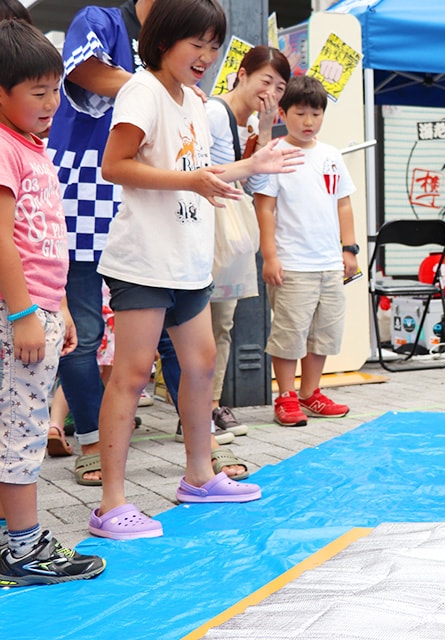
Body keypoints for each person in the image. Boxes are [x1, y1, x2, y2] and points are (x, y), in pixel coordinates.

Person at [88, 0, 303, 540]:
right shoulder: (143, 90)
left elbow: (199, 171)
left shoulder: (191, 100)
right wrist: (195, 182)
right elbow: (116, 166)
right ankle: (111, 503)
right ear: (163, 42)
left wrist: (251, 165)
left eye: (214, 45)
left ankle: (200, 475)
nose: (207, 55)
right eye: (197, 44)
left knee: (202, 365)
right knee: (133, 375)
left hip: (188, 260)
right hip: (145, 261)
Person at [44, 0, 198, 487]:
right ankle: (90, 438)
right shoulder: (101, 19)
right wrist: (153, 86)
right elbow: (85, 71)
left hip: (151, 194)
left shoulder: (179, 45)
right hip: (86, 189)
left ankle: (201, 450)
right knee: (84, 332)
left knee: (178, 329)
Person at [0, 18, 105, 585]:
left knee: (19, 421)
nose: (50, 103)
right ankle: (22, 547)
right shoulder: (4, 149)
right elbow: (2, 241)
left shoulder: (33, 149)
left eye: (54, 90)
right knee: (20, 429)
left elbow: (47, 241)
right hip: (15, 313)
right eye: (36, 92)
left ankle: (12, 537)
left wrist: (59, 306)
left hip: (38, 307)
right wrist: (22, 313)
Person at [254, 75, 357, 427]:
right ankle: (285, 396)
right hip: (292, 264)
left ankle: (310, 393)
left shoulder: (331, 156)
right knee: (289, 334)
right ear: (283, 113)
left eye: (316, 114)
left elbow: (344, 204)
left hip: (329, 263)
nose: (309, 122)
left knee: (323, 333)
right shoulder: (276, 154)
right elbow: (264, 207)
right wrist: (270, 256)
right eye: (300, 114)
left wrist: (350, 249)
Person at [205, 45, 290, 447]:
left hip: (232, 235)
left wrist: (267, 128)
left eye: (280, 86)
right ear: (242, 74)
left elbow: (257, 186)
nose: (271, 90)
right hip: (207, 231)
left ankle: (210, 405)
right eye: (266, 81)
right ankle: (196, 410)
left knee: (222, 325)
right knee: (196, 326)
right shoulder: (213, 114)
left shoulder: (252, 127)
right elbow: (205, 174)